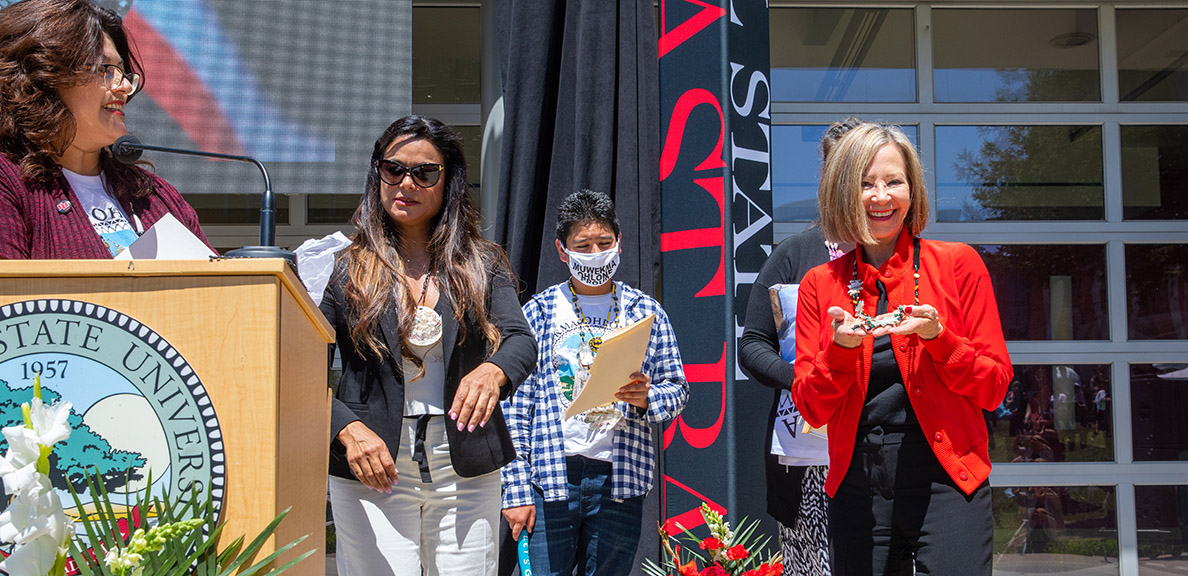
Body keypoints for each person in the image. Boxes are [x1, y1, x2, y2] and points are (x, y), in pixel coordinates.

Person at [319, 115, 537, 576]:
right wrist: (344, 428)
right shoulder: (345, 268)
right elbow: (301, 365)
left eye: (425, 172)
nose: (407, 182)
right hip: (370, 464)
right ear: (377, 173)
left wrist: (492, 371)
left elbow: (519, 340)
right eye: (393, 168)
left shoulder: (482, 263)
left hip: (464, 464)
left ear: (448, 182)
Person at [790, 123, 1013, 574]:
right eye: (865, 184)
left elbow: (994, 388)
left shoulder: (958, 265)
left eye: (893, 182)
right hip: (857, 480)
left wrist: (939, 339)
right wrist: (841, 351)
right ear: (842, 193)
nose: (880, 196)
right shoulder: (820, 285)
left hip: (948, 475)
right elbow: (810, 409)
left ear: (913, 190)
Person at [501, 189, 688, 575]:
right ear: (562, 250)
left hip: (618, 480)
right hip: (551, 476)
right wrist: (516, 489)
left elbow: (678, 388)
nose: (595, 253)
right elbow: (515, 408)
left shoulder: (645, 311)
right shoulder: (538, 311)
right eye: (582, 245)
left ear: (619, 243)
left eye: (604, 243)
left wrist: (647, 397)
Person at [738, 117, 864, 576]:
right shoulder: (794, 254)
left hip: (880, 446)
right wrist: (804, 380)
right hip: (809, 455)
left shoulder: (897, 255)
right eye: (840, 169)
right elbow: (752, 345)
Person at [0, 0, 211, 259]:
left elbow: (218, 290)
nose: (123, 86)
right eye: (106, 70)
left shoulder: (156, 196)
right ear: (44, 78)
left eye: (123, 72)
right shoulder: (7, 183)